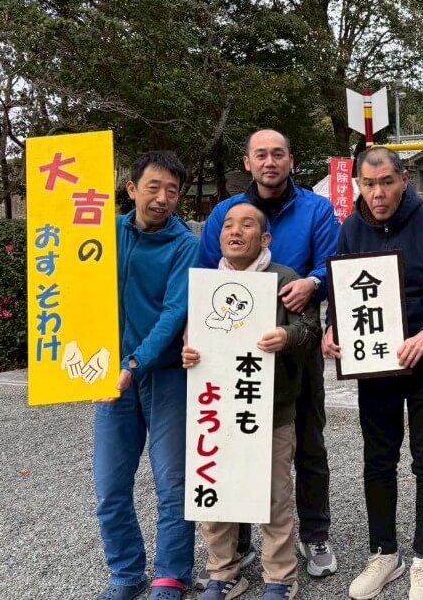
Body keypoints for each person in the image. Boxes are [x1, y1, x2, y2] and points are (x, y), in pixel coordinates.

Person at [198, 129, 340, 583]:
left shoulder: (316, 209)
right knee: (233, 441)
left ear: (291, 160)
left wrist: (312, 283)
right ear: (247, 163)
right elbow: (203, 275)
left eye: (278, 154)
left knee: (307, 441)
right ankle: (238, 543)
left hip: (296, 341)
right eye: (260, 155)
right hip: (234, 350)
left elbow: (333, 263)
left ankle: (314, 533)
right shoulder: (226, 213)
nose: (269, 162)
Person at [322, 147, 423, 600]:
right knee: (378, 459)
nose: (378, 193)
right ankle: (384, 552)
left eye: (386, 182)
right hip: (376, 364)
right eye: (369, 184)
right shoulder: (352, 229)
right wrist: (332, 328)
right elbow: (341, 291)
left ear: (404, 179)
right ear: (358, 185)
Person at [184, 202, 321, 600]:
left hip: (272, 410)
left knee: (274, 496)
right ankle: (223, 572)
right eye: (229, 225)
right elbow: (193, 337)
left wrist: (287, 337)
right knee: (215, 491)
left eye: (247, 225)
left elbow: (311, 331)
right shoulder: (207, 284)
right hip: (214, 410)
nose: (235, 231)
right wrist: (188, 353)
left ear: (264, 239)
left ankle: (280, 577)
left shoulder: (285, 279)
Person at [94, 151, 200, 600]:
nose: (162, 198)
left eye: (171, 191)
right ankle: (126, 572)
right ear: (131, 188)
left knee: (172, 482)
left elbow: (175, 313)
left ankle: (171, 574)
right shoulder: (104, 233)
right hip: (110, 372)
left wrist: (134, 364)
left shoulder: (185, 244)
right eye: (153, 187)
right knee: (110, 485)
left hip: (165, 374)